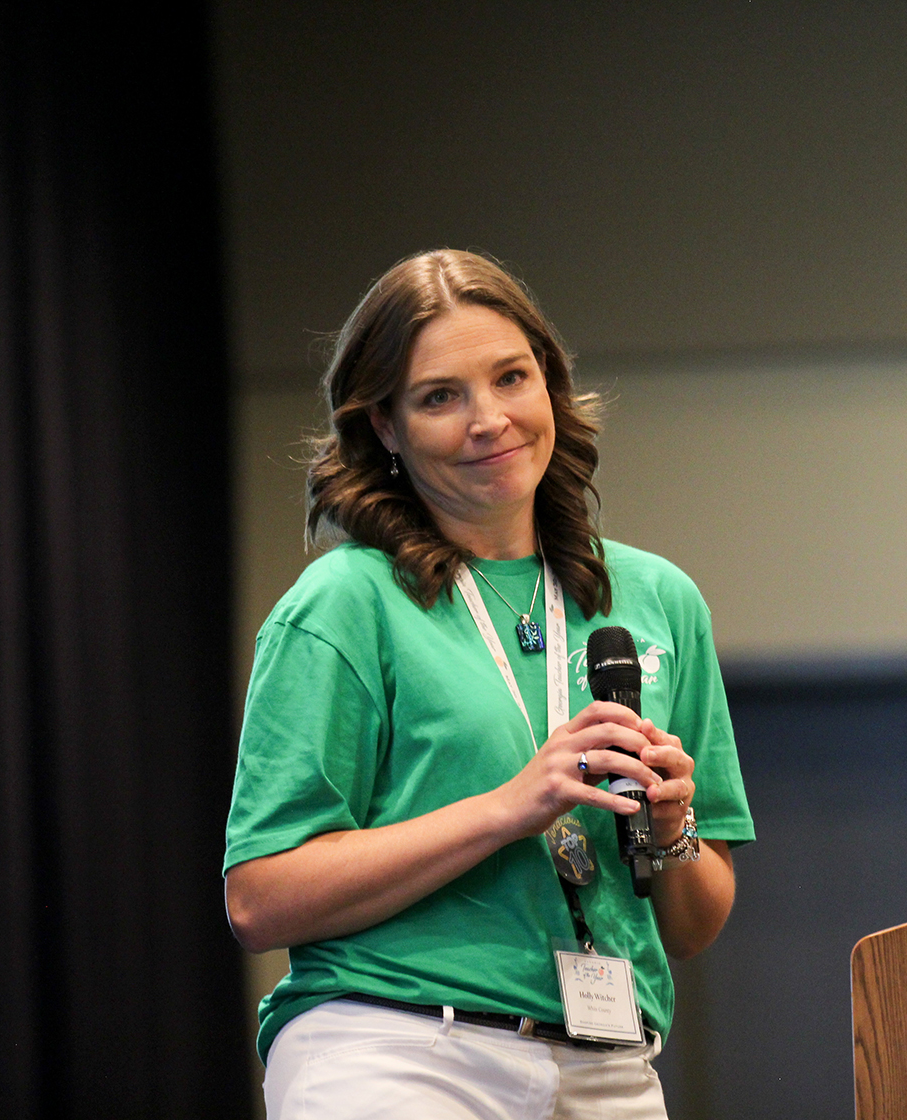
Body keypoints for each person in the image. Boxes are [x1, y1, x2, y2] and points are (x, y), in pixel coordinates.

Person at [223, 249, 754, 1119]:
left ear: (550, 383)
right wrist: (512, 806)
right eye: (440, 396)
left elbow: (694, 928)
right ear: (386, 427)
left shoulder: (660, 599)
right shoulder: (346, 601)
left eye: (512, 377)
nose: (489, 419)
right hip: (394, 1046)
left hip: (610, 1060)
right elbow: (259, 899)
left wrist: (671, 826)